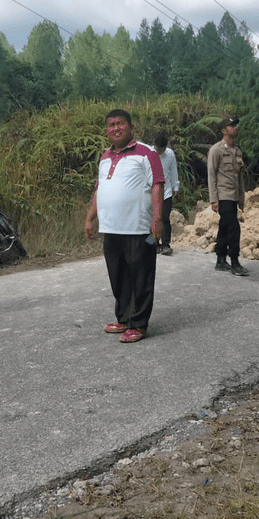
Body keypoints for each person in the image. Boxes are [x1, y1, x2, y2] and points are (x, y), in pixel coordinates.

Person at [84, 109, 164, 344]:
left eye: (120, 124)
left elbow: (157, 185)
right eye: (111, 125)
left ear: (131, 127)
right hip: (111, 228)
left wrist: (157, 219)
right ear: (106, 130)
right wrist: (90, 218)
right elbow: (99, 189)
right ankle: (124, 318)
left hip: (138, 228)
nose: (115, 128)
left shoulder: (146, 153)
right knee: (118, 276)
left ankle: (138, 324)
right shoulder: (105, 156)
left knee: (141, 276)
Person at [207, 115, 249, 276]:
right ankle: (235, 262)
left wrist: (241, 198)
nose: (235, 128)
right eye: (232, 126)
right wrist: (213, 199)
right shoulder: (216, 150)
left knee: (224, 227)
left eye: (236, 125)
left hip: (233, 196)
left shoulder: (237, 150)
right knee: (234, 228)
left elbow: (240, 178)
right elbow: (211, 175)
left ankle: (220, 260)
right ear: (224, 130)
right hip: (223, 196)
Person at [153, 131, 179, 256]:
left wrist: (176, 187)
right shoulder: (149, 154)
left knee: (165, 219)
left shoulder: (170, 154)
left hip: (166, 192)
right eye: (159, 149)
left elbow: (173, 171)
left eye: (162, 149)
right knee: (151, 219)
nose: (160, 152)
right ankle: (153, 244)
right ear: (155, 146)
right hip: (151, 193)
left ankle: (166, 244)